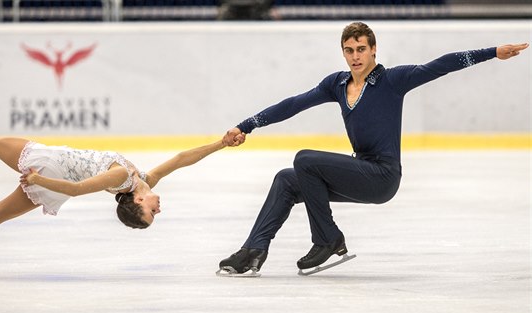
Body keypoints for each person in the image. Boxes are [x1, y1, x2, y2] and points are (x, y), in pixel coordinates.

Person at [217, 22, 529, 276]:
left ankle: (327, 238)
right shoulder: (337, 84)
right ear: (343, 53)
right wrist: (247, 124)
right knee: (287, 179)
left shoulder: (393, 80)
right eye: (349, 50)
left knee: (304, 160)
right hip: (360, 170)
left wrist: (492, 53)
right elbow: (294, 104)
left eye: (361, 49)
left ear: (373, 49)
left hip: (382, 176)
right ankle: (254, 249)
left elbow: (441, 65)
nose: (355, 56)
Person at [0, 124, 238, 278]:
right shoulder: (142, 180)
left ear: (138, 200)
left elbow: (77, 190)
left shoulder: (120, 177)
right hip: (54, 186)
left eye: (153, 211)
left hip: (52, 168)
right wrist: (221, 144)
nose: (159, 208)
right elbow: (182, 158)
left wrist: (38, 179)